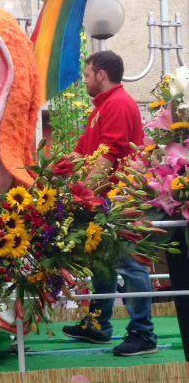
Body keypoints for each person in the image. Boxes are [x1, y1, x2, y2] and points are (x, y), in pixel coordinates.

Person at [62, 50, 157, 356]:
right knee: (102, 264)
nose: (85, 80)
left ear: (101, 75)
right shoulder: (102, 107)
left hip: (118, 200)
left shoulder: (116, 103)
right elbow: (82, 151)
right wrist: (55, 167)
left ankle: (143, 334)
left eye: (88, 75)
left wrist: (83, 192)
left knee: (129, 265)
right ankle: (98, 325)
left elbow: (110, 155)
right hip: (102, 199)